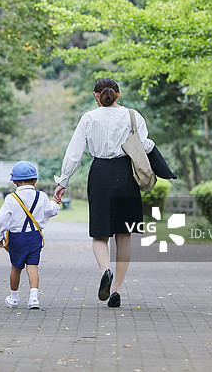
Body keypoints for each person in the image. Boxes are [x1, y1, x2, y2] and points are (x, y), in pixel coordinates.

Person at [53, 78, 161, 308]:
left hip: (100, 173)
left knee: (100, 235)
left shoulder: (89, 118)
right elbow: (145, 145)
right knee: (124, 235)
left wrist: (63, 181)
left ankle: (105, 270)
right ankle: (117, 291)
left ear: (96, 95)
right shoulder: (133, 115)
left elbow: (75, 153)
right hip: (126, 174)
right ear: (118, 95)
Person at [0, 161, 60, 309]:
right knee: (33, 267)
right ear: (35, 180)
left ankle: (14, 298)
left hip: (16, 237)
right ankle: (33, 299)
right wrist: (56, 202)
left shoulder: (11, 198)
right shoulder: (41, 196)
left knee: (15, 268)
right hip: (35, 236)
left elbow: (2, 218)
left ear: (14, 181)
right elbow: (51, 211)